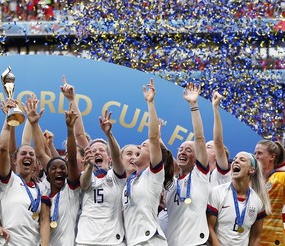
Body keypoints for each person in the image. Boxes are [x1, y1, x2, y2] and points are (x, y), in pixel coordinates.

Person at [122, 79, 174, 245]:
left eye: (143, 146)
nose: (138, 146)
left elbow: (153, 138)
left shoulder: (153, 175)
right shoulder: (130, 180)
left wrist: (150, 103)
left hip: (150, 241)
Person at [164, 83, 210, 246]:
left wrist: (193, 106)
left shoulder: (200, 176)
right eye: (181, 149)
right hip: (171, 242)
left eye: (189, 150)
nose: (183, 152)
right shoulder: (170, 183)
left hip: (196, 243)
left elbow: (199, 138)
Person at [0, 97, 44, 246]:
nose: (27, 156)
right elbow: (5, 149)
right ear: (14, 160)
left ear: (36, 164)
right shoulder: (8, 181)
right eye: (23, 154)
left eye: (31, 154)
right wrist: (8, 119)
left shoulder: (42, 187)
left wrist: (33, 122)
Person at [76, 109, 127, 246]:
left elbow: (117, 156)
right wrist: (90, 166)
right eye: (93, 151)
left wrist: (108, 134)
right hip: (85, 240)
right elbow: (84, 184)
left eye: (101, 150)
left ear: (109, 159)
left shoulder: (117, 176)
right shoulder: (85, 175)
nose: (97, 152)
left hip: (113, 241)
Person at [36, 104, 81, 246]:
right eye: (53, 168)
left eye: (62, 168)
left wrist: (70, 130)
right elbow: (39, 153)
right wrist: (34, 123)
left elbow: (72, 158)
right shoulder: (44, 193)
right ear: (47, 175)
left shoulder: (71, 190)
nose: (59, 171)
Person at [207, 152, 271, 246]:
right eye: (235, 159)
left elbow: (256, 236)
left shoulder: (258, 201)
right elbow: (209, 228)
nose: (236, 161)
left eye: (242, 160)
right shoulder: (217, 192)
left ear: (251, 170)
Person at [208, 91, 231, 187]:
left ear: (217, 155)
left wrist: (215, 108)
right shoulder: (198, 174)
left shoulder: (220, 173)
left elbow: (218, 142)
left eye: (208, 147)